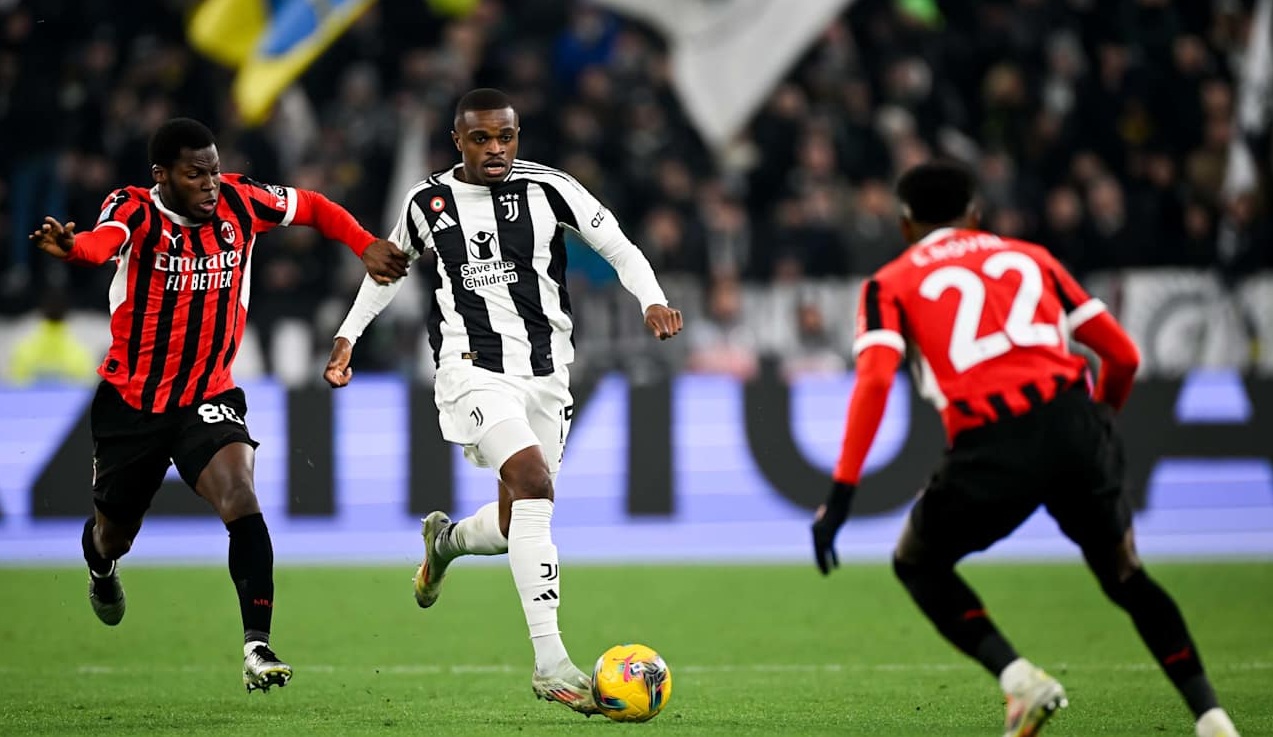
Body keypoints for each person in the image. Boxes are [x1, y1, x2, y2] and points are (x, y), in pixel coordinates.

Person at [810, 160, 1242, 737]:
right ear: (975, 215)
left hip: (992, 442)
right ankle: (1212, 717)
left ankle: (1020, 681)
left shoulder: (889, 283)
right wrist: (1098, 423)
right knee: (1126, 575)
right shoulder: (1033, 257)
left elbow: (874, 382)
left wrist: (841, 493)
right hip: (1073, 422)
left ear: (905, 224)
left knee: (916, 562)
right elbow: (1123, 356)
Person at [324, 88, 682, 715]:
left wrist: (651, 299)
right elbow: (388, 271)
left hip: (547, 373)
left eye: (506, 137)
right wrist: (348, 336)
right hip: (471, 370)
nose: (496, 149)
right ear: (457, 141)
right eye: (482, 139)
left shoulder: (552, 188)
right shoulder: (427, 203)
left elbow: (619, 247)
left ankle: (445, 544)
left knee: (519, 522)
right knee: (533, 480)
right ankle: (551, 663)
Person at [29, 117, 409, 693]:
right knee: (114, 535)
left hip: (208, 394)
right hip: (133, 404)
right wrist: (74, 249)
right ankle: (100, 563)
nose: (209, 184)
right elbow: (103, 242)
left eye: (213, 170)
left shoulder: (240, 200)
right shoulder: (134, 209)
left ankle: (257, 646)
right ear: (161, 176)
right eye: (194, 174)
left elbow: (311, 206)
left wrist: (364, 243)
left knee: (241, 497)